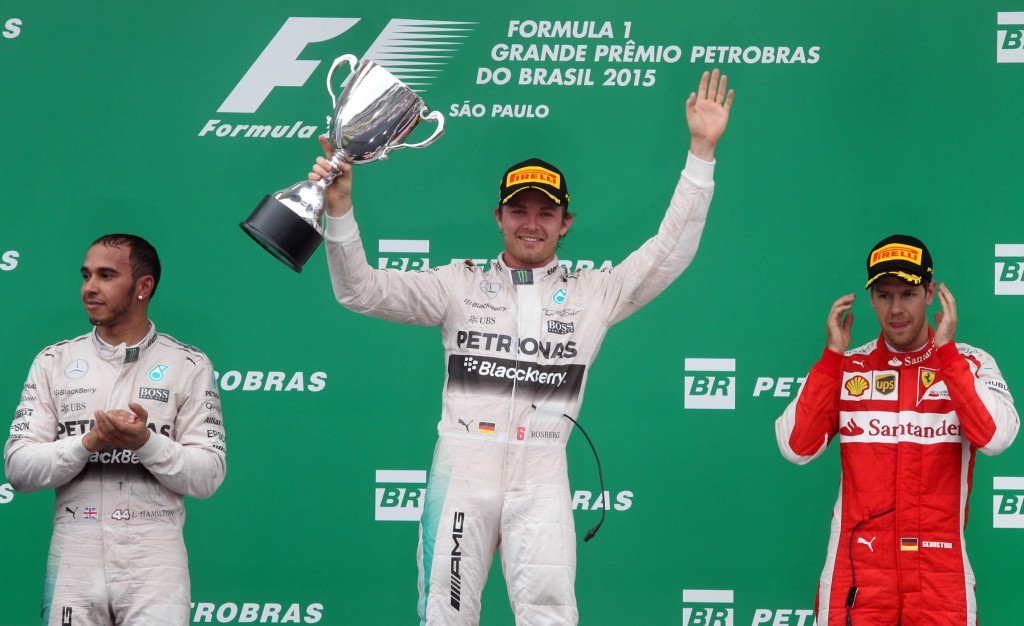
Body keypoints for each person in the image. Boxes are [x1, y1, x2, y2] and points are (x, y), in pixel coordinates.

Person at [311, 69, 734, 625]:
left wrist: (701, 153)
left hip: (542, 472)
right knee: (446, 614)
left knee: (549, 616)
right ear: (499, 217)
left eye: (546, 213)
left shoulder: (594, 292)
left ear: (566, 223)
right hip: (462, 467)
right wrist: (339, 209)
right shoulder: (456, 283)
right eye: (519, 210)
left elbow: (668, 251)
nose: (531, 224)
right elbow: (359, 291)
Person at [775, 234, 1019, 626]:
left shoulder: (970, 363)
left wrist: (948, 357)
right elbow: (795, 446)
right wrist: (831, 358)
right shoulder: (846, 367)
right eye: (884, 296)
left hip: (941, 578)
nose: (896, 309)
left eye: (908, 294)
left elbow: (998, 438)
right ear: (871, 299)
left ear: (930, 293)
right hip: (856, 577)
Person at [4, 234, 227, 625]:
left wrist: (146, 442)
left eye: (106, 275)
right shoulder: (53, 361)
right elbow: (18, 469)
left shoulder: (189, 364)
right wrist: (88, 442)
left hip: (155, 560)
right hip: (73, 556)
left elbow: (208, 475)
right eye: (86, 275)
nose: (89, 288)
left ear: (144, 286)